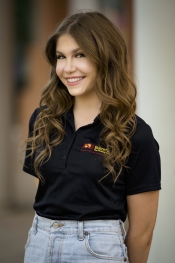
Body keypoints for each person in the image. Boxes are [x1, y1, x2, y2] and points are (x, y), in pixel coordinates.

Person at [22, 11, 161, 263]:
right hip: (39, 244)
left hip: (97, 252)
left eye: (80, 55)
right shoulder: (42, 121)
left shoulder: (136, 134)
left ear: (105, 58)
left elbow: (142, 233)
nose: (68, 67)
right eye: (61, 57)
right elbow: (47, 193)